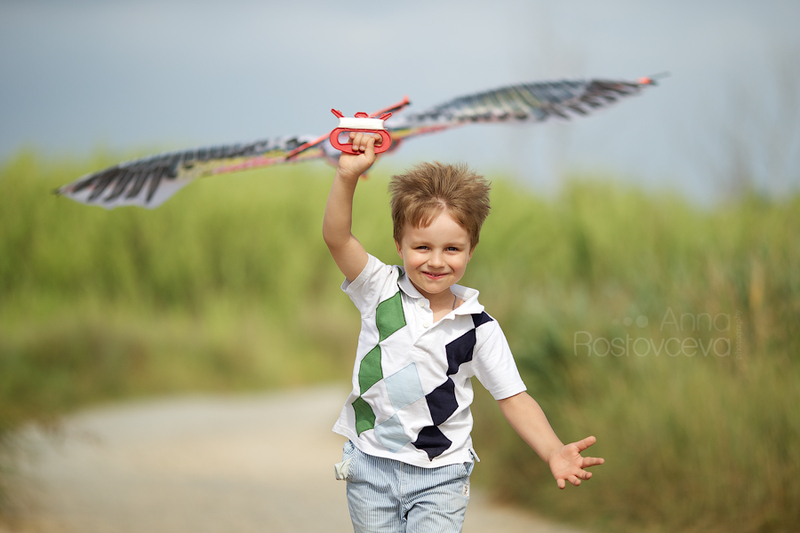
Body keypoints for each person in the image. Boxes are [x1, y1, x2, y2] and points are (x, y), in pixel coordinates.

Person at [323, 132, 603, 533]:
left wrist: (553, 450)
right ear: (399, 245)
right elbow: (336, 237)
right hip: (370, 464)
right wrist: (347, 175)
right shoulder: (379, 289)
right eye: (422, 247)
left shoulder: (478, 327)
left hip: (441, 474)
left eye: (451, 249)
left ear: (471, 249)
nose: (436, 261)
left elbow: (514, 398)